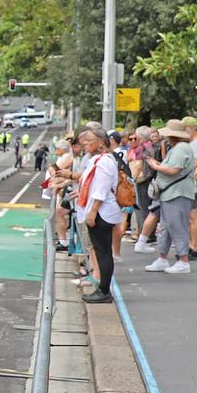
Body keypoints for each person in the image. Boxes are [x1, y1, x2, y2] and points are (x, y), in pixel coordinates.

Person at [143, 120, 197, 275]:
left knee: (176, 225)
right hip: (172, 192)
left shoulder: (181, 149)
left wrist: (155, 166)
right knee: (167, 226)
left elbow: (173, 170)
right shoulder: (179, 148)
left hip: (176, 193)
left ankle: (183, 260)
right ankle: (163, 257)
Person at [77, 125, 123, 303]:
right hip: (99, 211)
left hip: (101, 213)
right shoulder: (98, 159)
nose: (85, 143)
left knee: (103, 251)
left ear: (101, 143)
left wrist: (93, 211)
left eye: (89, 140)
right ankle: (103, 289)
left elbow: (102, 189)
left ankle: (104, 290)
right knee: (101, 250)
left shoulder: (104, 161)